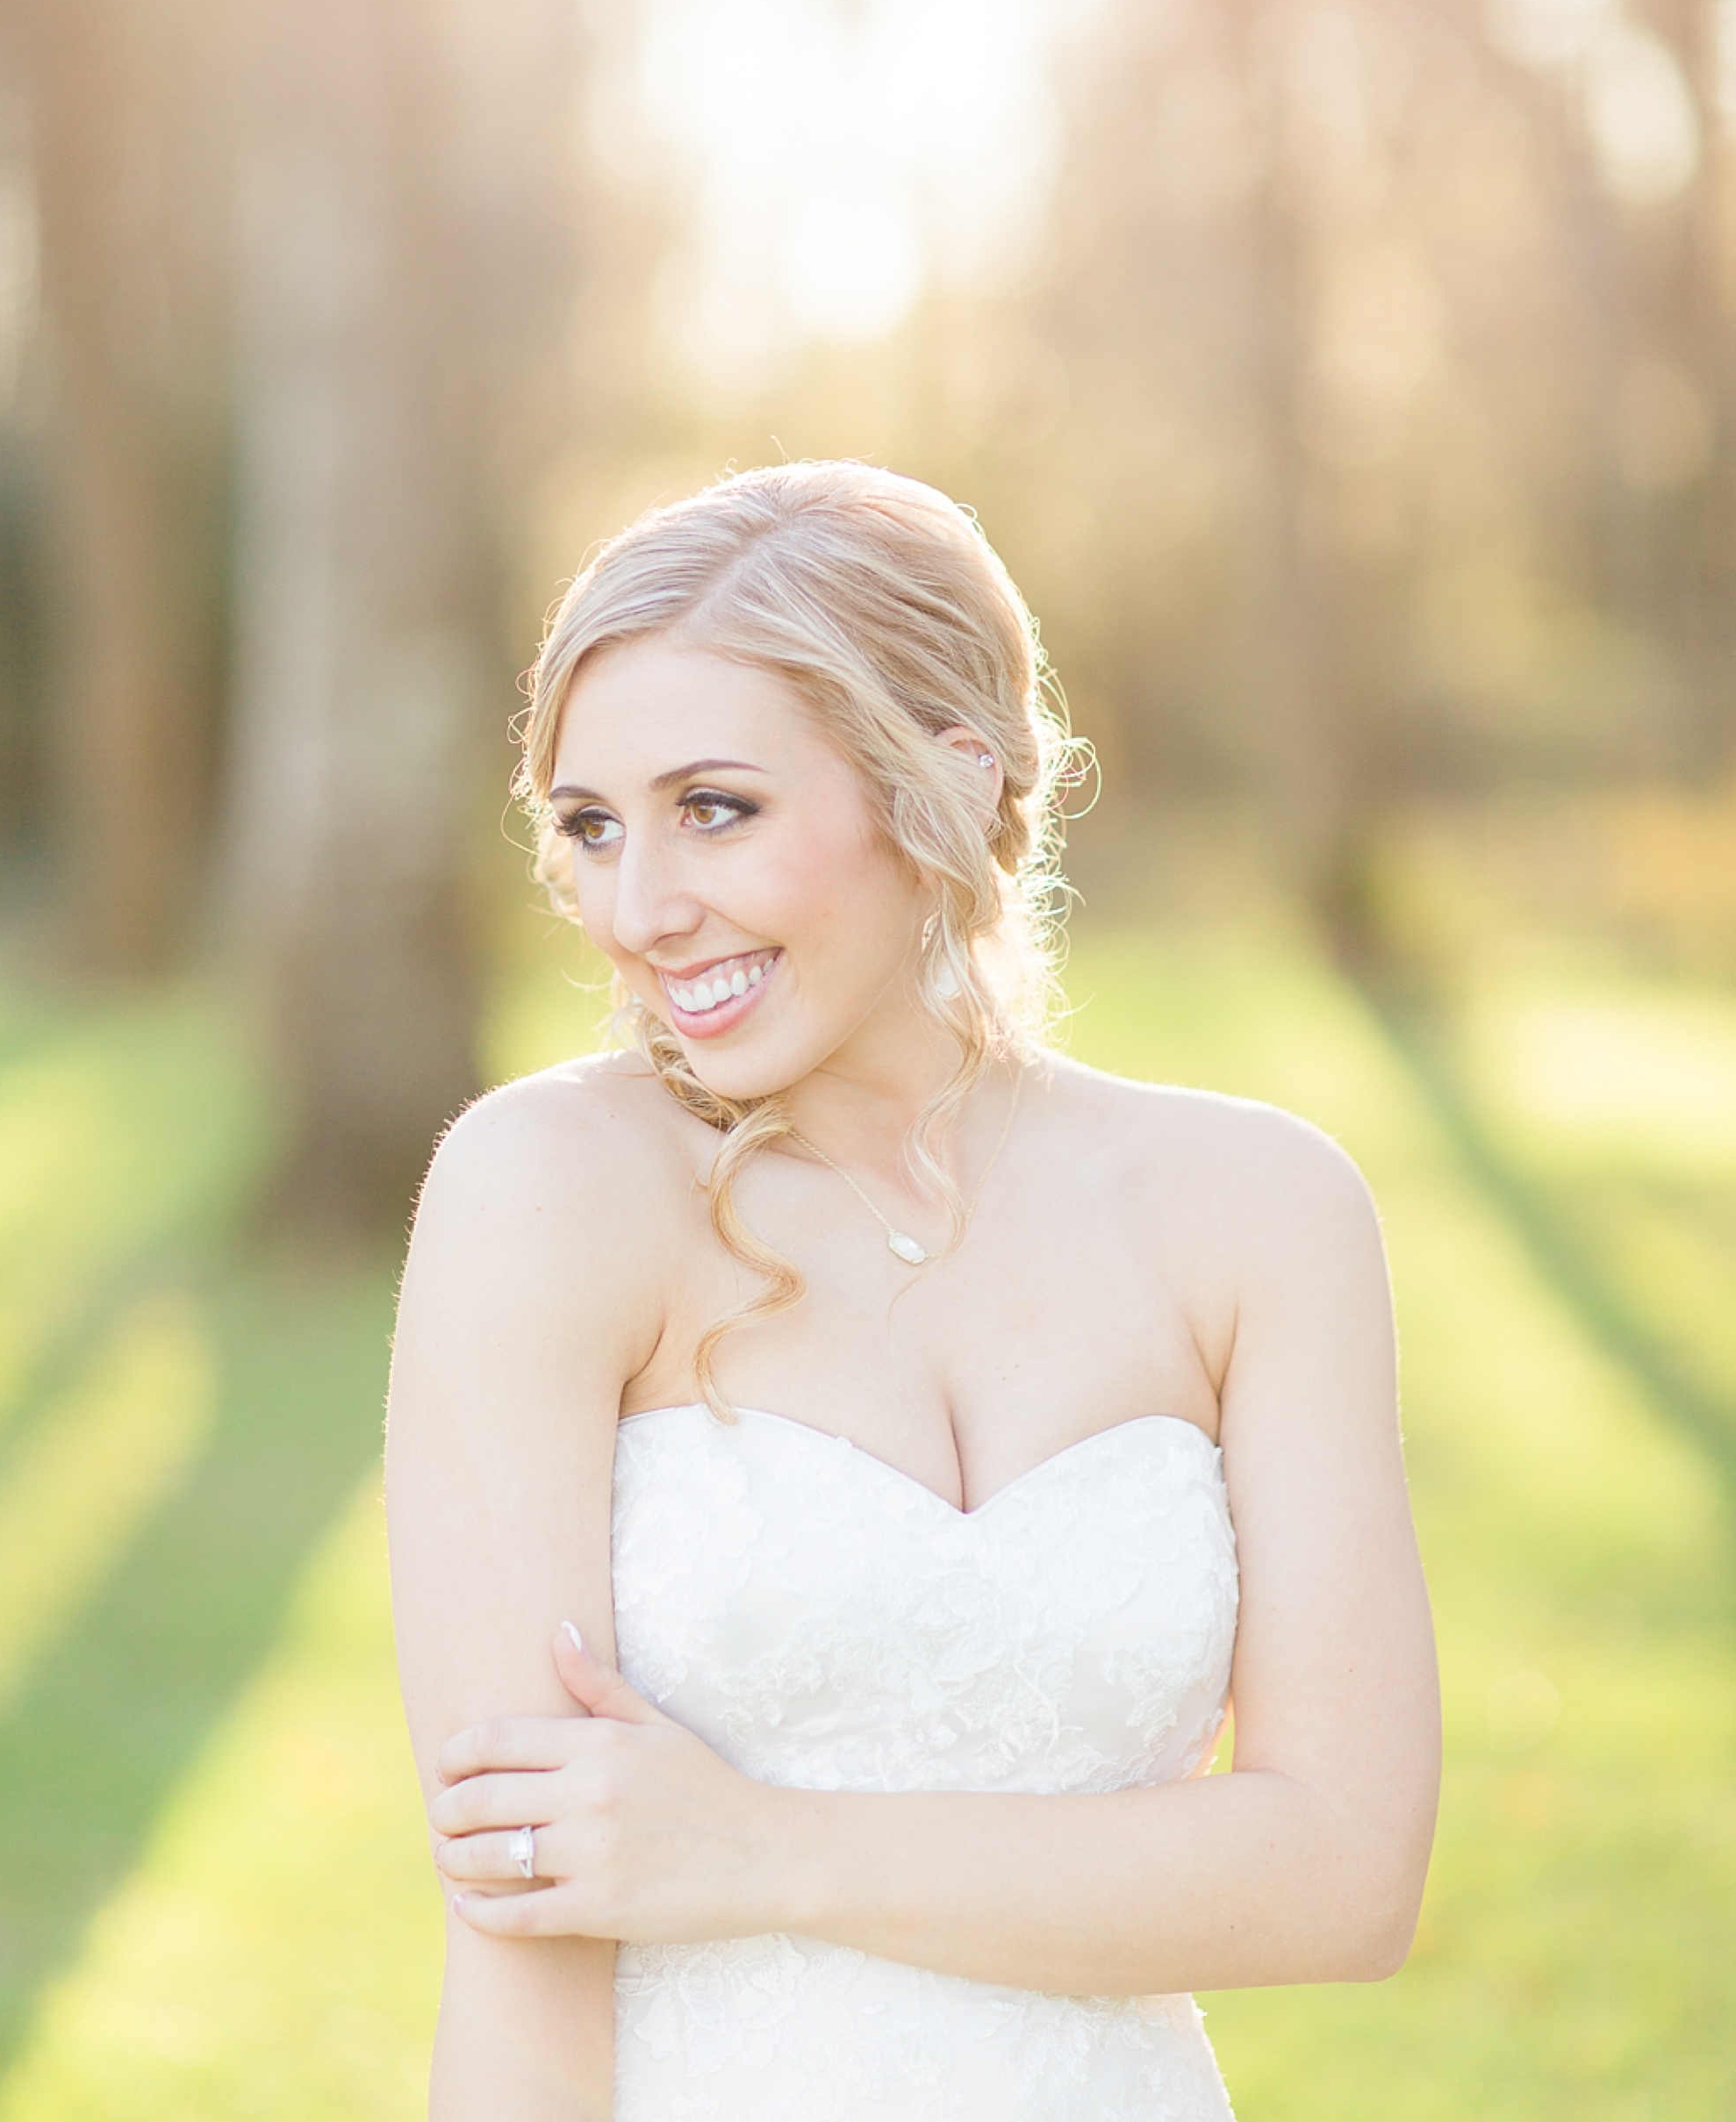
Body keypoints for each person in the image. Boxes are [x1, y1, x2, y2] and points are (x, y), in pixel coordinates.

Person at [385, 460, 1439, 2122]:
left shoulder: (1263, 1212)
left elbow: (1344, 1872)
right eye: (590, 826)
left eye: (713, 807)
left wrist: (761, 1851)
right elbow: (524, 1922)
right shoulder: (546, 1193)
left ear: (945, 783)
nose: (639, 910)